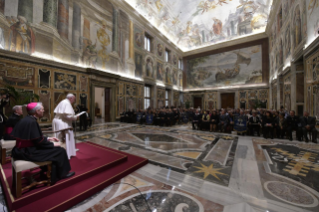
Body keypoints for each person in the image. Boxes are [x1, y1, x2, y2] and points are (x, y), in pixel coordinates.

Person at [11, 102, 74, 184]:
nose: (43, 111)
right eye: (42, 109)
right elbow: (39, 142)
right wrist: (52, 144)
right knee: (60, 150)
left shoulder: (27, 119)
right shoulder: (32, 122)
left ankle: (50, 171)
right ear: (37, 111)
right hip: (28, 152)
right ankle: (62, 174)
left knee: (55, 149)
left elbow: (33, 138)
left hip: (20, 150)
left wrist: (48, 138)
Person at [52, 93, 77, 159]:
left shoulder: (63, 101)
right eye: (74, 99)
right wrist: (75, 117)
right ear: (71, 98)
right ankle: (65, 153)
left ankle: (62, 153)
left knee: (60, 137)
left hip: (59, 121)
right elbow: (67, 116)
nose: (74, 101)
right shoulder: (66, 103)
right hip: (62, 123)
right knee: (65, 137)